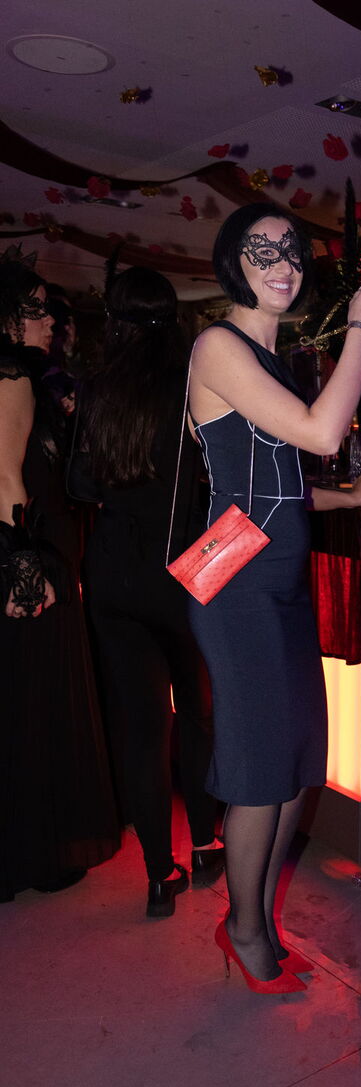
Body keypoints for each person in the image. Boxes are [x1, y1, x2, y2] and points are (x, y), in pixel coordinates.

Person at [188, 201, 361, 993]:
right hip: (237, 587)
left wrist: (347, 498)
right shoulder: (218, 345)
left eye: (292, 251)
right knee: (260, 771)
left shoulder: (275, 362)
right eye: (262, 249)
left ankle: (258, 920)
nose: (283, 264)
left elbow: (276, 483)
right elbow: (320, 435)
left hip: (279, 581)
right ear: (231, 261)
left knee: (298, 762)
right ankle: (243, 930)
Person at [71, 266, 223, 919]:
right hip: (182, 570)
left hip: (112, 574)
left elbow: (79, 485)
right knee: (197, 712)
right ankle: (207, 845)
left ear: (116, 321)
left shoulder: (99, 388)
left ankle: (160, 875)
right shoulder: (192, 384)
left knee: (141, 730)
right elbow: (224, 476)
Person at [0, 253, 120, 900]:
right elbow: (4, 477)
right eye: (38, 310)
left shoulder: (23, 374)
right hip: (28, 554)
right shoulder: (12, 371)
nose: (51, 320)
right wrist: (26, 570)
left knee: (23, 700)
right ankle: (33, 851)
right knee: (32, 700)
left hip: (31, 548)